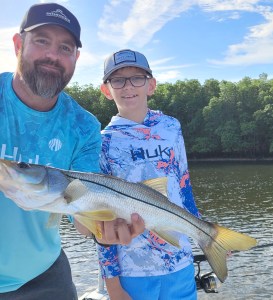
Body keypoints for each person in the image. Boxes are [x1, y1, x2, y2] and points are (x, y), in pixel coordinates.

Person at [0, 5, 144, 300]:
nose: (53, 55)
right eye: (41, 40)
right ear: (18, 45)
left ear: (76, 58)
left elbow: (79, 207)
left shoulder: (84, 126)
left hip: (44, 275)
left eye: (65, 47)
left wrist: (102, 230)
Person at [97, 49, 201, 300]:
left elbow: (183, 186)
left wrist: (206, 235)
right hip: (132, 271)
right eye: (118, 80)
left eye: (137, 78)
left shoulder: (172, 127)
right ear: (106, 90)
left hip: (180, 263)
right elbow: (101, 220)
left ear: (151, 85)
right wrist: (113, 286)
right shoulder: (103, 142)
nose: (128, 86)